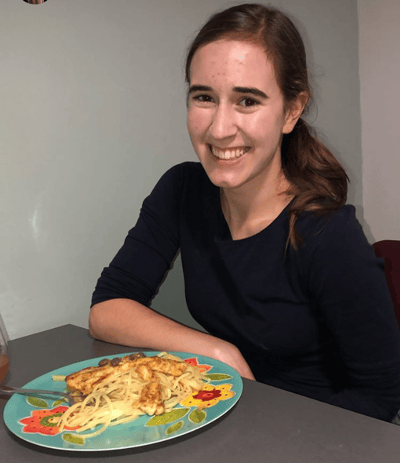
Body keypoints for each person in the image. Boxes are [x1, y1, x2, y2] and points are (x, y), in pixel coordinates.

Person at [89, 3, 400, 422]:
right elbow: (108, 307)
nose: (219, 129)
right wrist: (217, 351)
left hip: (314, 430)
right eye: (204, 97)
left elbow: (380, 398)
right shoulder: (182, 189)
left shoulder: (327, 234)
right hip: (227, 415)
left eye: (247, 101)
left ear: (292, 110)